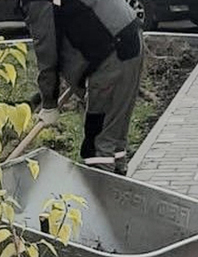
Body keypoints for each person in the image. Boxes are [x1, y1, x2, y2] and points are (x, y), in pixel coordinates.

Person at [20, 0, 143, 175]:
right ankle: (119, 190)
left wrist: (49, 104)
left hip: (112, 54)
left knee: (97, 147)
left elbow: (46, 49)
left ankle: (102, 196)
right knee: (114, 138)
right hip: (129, 38)